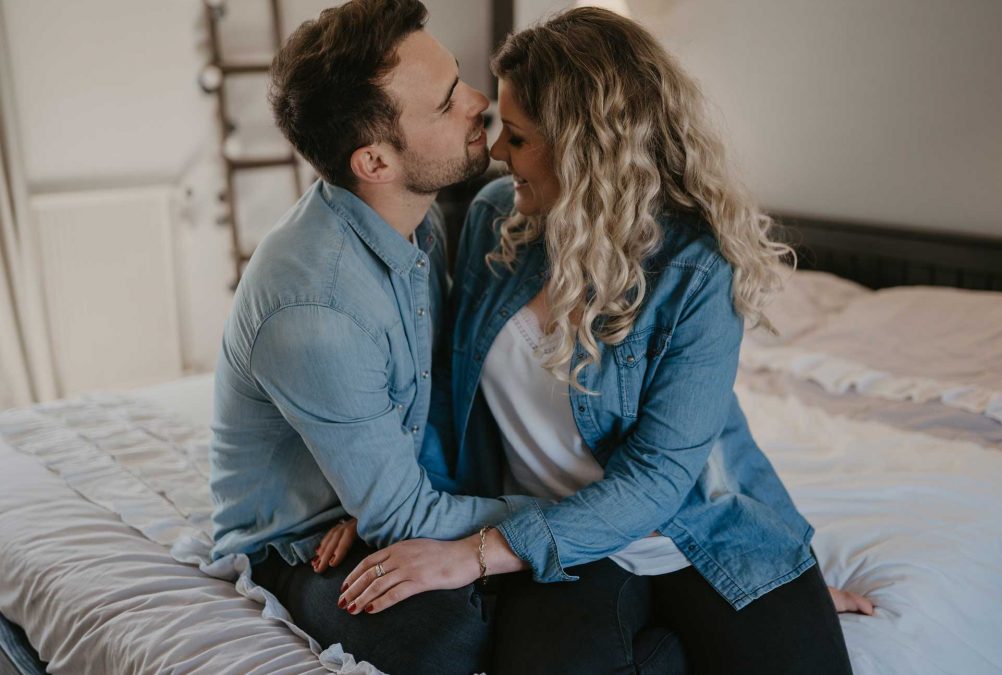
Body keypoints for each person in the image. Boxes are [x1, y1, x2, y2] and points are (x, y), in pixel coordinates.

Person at [334, 7, 868, 674]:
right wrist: (402, 507)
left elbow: (659, 478)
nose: (497, 152)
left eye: (520, 138)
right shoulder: (495, 219)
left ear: (586, 153)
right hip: (554, 542)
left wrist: (470, 554)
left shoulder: (697, 269)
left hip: (696, 532)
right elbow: (449, 394)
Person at [206, 1, 535, 673]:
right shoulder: (316, 308)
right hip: (300, 546)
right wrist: (575, 509)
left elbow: (430, 397)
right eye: (447, 103)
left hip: (371, 502)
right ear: (376, 161)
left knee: (575, 585)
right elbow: (406, 518)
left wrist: (386, 501)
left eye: (458, 79)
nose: (480, 103)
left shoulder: (417, 221)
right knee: (447, 635)